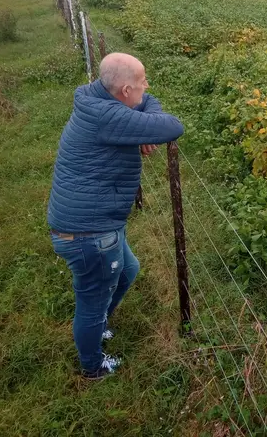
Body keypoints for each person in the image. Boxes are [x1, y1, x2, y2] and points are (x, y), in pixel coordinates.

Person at [47, 53, 184, 380]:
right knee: (91, 300)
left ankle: (97, 325)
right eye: (140, 82)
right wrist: (146, 128)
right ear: (123, 91)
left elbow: (150, 102)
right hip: (88, 233)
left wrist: (142, 127)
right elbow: (173, 126)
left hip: (94, 221)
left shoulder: (97, 99)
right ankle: (92, 366)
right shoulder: (109, 117)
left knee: (128, 270)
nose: (146, 86)